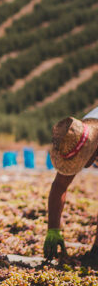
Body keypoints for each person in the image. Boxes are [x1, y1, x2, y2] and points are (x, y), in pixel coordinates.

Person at [43, 108, 98, 262]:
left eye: (82, 159)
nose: (83, 165)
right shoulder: (77, 136)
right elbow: (60, 185)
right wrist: (53, 229)